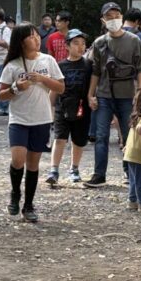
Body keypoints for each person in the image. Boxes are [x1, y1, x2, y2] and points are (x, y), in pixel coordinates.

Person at [0, 23, 65, 222]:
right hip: (18, 119)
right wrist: (16, 87)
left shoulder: (48, 60)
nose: (36, 39)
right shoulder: (12, 65)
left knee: (33, 163)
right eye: (31, 36)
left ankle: (28, 205)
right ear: (21, 42)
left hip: (42, 118)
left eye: (37, 35)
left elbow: (61, 87)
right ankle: (15, 193)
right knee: (18, 159)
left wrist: (43, 79)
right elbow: (1, 95)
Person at [85, 3, 141, 188]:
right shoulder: (99, 42)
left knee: (128, 135)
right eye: (109, 16)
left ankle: (129, 173)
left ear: (122, 17)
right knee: (101, 135)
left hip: (128, 95)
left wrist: (140, 92)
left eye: (116, 15)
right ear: (103, 20)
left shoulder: (134, 40)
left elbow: (140, 68)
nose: (113, 19)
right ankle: (99, 174)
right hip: (104, 94)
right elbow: (96, 71)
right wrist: (90, 94)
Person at [47, 29, 91, 185]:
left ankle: (74, 169)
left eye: (83, 43)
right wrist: (49, 109)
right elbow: (54, 89)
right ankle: (54, 170)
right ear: (67, 46)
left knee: (78, 140)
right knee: (59, 138)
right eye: (76, 43)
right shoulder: (60, 65)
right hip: (63, 107)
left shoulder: (88, 65)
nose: (80, 47)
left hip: (82, 107)